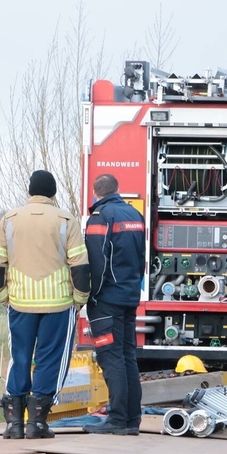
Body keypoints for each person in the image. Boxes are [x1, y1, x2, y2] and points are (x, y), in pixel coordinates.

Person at [0, 169, 90, 439]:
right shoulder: (66, 220)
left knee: (19, 357)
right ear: (53, 193)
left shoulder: (9, 220)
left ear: (29, 191)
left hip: (20, 303)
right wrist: (79, 299)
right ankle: (38, 424)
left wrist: (2, 296)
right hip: (58, 304)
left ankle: (13, 424)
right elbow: (79, 265)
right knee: (50, 360)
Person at [82, 174, 146, 435]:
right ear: (118, 189)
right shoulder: (134, 215)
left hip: (106, 299)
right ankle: (132, 419)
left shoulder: (100, 217)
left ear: (95, 192)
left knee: (111, 358)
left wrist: (92, 295)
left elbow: (98, 262)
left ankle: (117, 418)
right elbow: (142, 256)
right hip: (130, 296)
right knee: (128, 356)